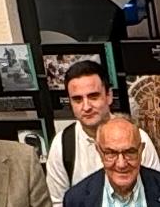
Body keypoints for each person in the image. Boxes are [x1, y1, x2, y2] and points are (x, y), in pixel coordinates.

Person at [46, 60, 119, 196]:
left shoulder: (138, 138)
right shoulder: (62, 145)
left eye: (93, 96)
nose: (86, 107)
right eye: (77, 99)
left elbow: (153, 196)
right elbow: (59, 204)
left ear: (109, 96)